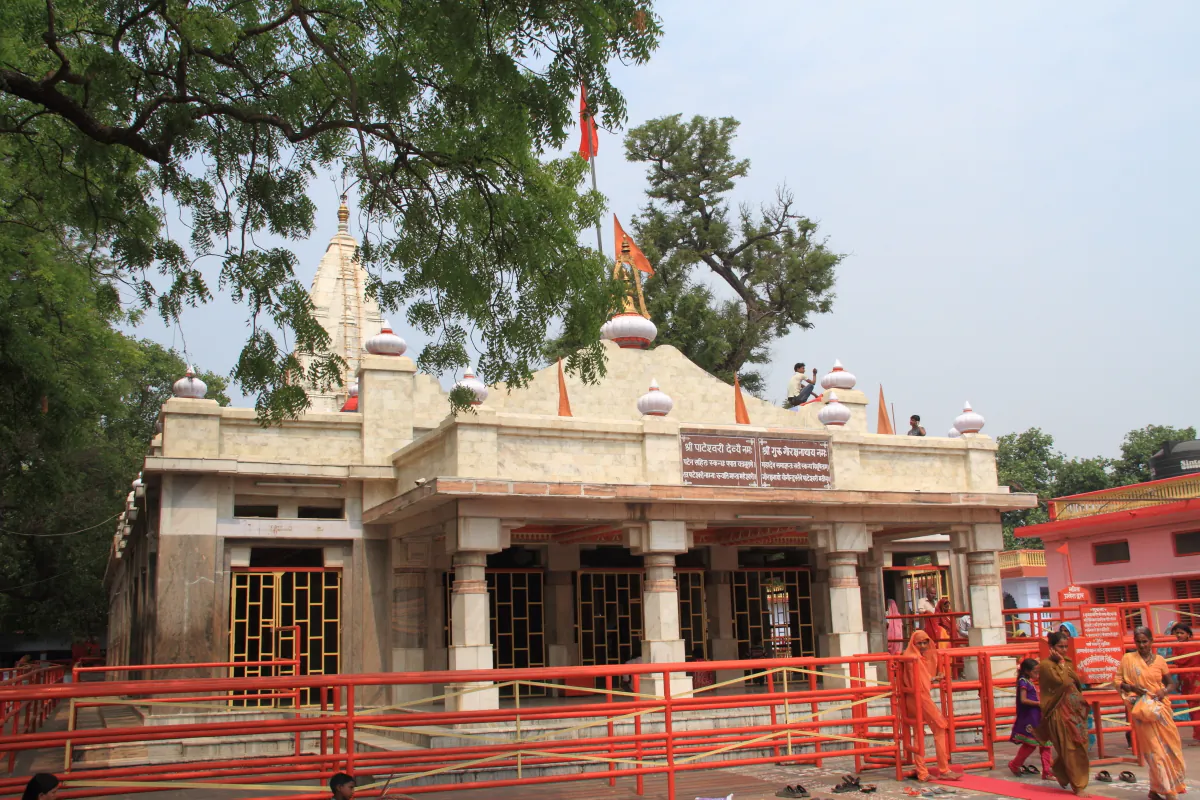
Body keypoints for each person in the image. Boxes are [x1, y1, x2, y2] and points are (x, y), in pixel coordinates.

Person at [1118, 626, 1187, 800]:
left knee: (1171, 748)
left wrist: (1164, 691)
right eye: (1138, 642)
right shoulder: (1128, 659)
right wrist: (1132, 688)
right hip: (1142, 711)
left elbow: (1171, 683)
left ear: (1151, 641)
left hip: (1160, 709)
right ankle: (1168, 790)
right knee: (1155, 752)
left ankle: (1155, 789)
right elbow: (1118, 682)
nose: (1142, 645)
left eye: (1145, 642)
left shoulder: (1160, 661)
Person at [1035, 631, 1090, 797]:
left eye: (1066, 646)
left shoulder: (1066, 662)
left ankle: (1060, 769)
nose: (1064, 650)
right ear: (1051, 647)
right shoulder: (1045, 666)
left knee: (1080, 744)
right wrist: (1060, 663)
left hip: (1074, 711)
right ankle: (1078, 785)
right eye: (1060, 646)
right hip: (1058, 712)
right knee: (1069, 747)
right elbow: (1063, 682)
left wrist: (1063, 664)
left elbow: (1076, 682)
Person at [899, 630, 959, 781]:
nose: (924, 646)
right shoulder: (914, 658)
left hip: (912, 698)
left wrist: (932, 678)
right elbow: (920, 681)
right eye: (920, 643)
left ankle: (922, 772)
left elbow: (920, 679)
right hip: (920, 697)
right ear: (914, 643)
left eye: (925, 642)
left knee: (919, 732)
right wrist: (934, 678)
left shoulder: (909, 655)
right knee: (940, 727)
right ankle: (944, 770)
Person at [1008, 658, 1052, 778]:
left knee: (1041, 743)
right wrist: (1039, 704)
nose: (1037, 675)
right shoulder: (1023, 682)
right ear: (1027, 671)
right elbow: (1023, 700)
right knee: (1035, 744)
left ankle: (1046, 770)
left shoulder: (1028, 681)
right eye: (1035, 672)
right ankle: (1016, 765)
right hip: (1031, 716)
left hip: (1036, 715)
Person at [1170, 623, 1200, 743]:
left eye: (1181, 633)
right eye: (1177, 633)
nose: (1179, 635)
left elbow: (1181, 660)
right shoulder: (1177, 647)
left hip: (1196, 679)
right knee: (1193, 708)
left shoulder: (1194, 645)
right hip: (1186, 680)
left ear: (1188, 634)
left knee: (1195, 707)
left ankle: (1198, 736)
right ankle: (1198, 735)